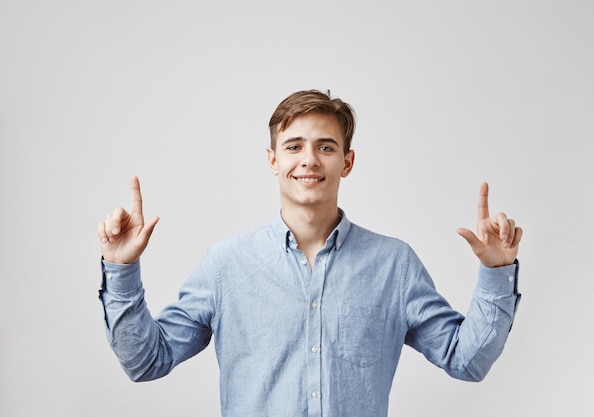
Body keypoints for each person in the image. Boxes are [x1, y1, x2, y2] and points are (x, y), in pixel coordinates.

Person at [97, 90, 523, 417]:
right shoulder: (226, 265)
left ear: (347, 161)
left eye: (326, 146)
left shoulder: (394, 266)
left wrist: (497, 274)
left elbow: (465, 360)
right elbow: (146, 362)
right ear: (273, 159)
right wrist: (121, 269)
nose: (309, 160)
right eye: (294, 146)